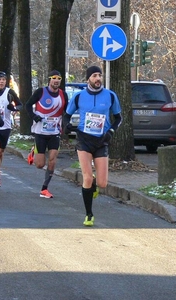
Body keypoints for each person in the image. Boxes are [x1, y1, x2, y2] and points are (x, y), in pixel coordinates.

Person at [63, 66, 122, 227]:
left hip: (102, 140)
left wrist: (111, 131)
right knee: (87, 177)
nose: (98, 79)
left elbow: (118, 118)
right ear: (88, 78)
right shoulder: (79, 96)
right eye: (94, 76)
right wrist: (67, 126)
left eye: (100, 76)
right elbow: (66, 115)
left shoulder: (110, 96)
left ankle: (94, 186)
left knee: (102, 183)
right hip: (84, 139)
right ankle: (89, 214)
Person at [25, 70, 68, 199]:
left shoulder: (63, 95)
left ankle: (44, 188)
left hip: (54, 132)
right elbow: (28, 105)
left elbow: (67, 112)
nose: (56, 81)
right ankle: (34, 151)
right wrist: (34, 116)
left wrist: (66, 124)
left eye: (59, 78)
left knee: (53, 160)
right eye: (54, 78)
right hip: (40, 132)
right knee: (39, 165)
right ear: (49, 80)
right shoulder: (40, 92)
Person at [0, 71, 22, 187]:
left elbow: (20, 105)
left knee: (1, 151)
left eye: (3, 80)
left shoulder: (10, 92)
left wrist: (13, 108)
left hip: (6, 125)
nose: (1, 82)